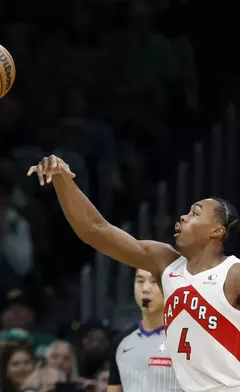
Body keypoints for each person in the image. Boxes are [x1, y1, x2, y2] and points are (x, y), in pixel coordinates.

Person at [28, 154, 240, 392]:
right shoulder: (166, 263)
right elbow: (95, 230)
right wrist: (62, 180)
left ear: (217, 231)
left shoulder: (233, 273)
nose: (183, 216)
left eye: (195, 213)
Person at [108, 269, 181, 392]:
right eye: (140, 281)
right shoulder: (121, 342)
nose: (145, 289)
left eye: (154, 282)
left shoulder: (187, 339)